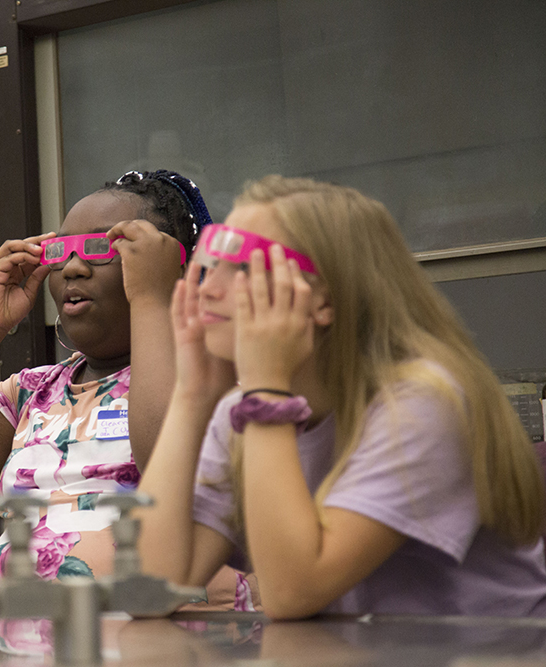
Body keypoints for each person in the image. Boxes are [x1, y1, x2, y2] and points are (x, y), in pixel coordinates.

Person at [137, 175, 546, 619]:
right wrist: (191, 395)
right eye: (209, 263)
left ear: (323, 299)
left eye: (244, 267)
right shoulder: (243, 411)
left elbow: (293, 593)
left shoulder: (422, 401)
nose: (207, 288)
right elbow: (150, 589)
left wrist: (265, 391)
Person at [0, 170, 252, 606]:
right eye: (63, 250)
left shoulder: (217, 377)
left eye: (102, 247)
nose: (73, 266)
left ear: (172, 265)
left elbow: (167, 466)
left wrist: (153, 298)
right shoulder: (32, 393)